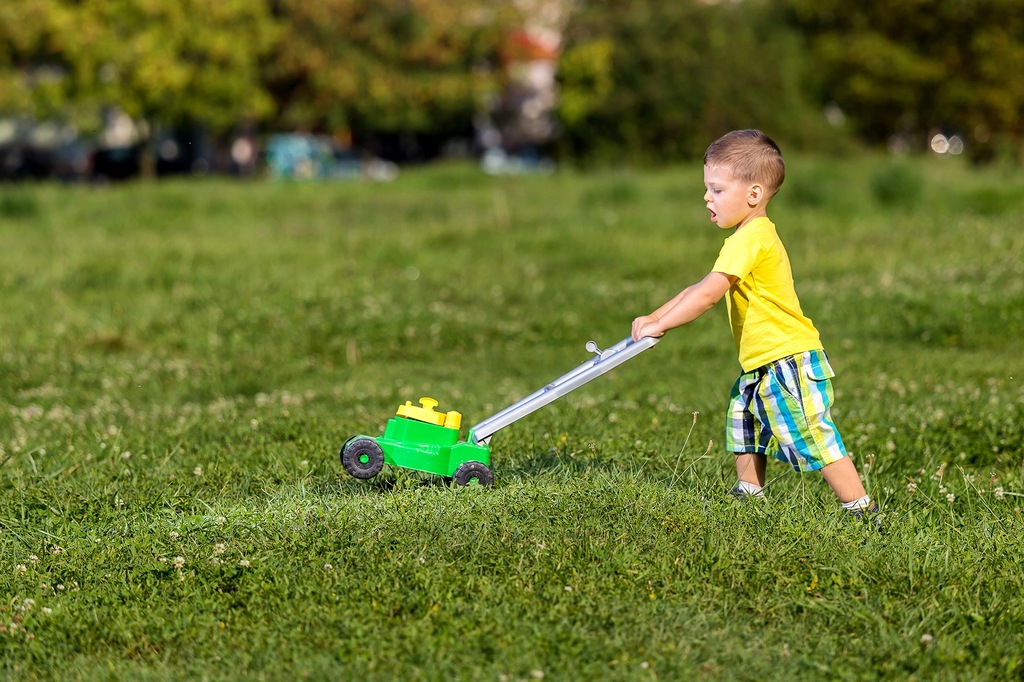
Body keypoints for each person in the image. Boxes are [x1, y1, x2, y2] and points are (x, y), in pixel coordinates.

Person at [630, 129, 878, 519]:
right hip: (763, 361)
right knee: (744, 420)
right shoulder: (747, 237)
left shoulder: (751, 239)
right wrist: (657, 316)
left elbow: (708, 295)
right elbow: (699, 286)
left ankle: (861, 508)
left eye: (717, 189)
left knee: (812, 433)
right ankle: (749, 493)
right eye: (707, 189)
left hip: (787, 360)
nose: (707, 197)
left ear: (754, 194)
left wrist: (664, 326)